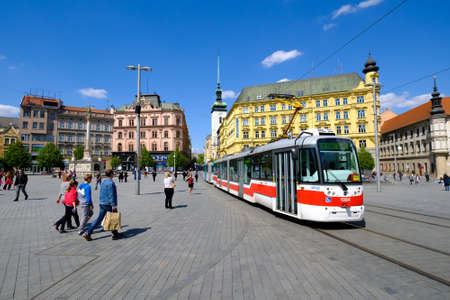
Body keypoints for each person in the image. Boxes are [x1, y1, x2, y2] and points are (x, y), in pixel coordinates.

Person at [83, 169, 122, 241]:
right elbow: (111, 194)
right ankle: (115, 234)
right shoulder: (111, 183)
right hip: (109, 204)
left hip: (102, 203)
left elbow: (101, 192)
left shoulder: (104, 181)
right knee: (114, 218)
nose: (113, 174)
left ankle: (88, 233)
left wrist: (101, 201)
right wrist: (113, 205)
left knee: (99, 219)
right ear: (111, 174)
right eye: (113, 173)